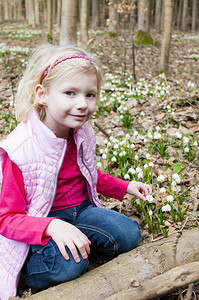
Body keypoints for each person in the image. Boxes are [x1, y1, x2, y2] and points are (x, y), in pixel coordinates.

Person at [0, 44, 152, 300]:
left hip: (79, 211)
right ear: (42, 95)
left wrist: (124, 186)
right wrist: (52, 226)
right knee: (70, 264)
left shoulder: (81, 133)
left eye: (90, 94)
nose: (82, 104)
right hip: (40, 226)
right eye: (70, 93)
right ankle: (30, 270)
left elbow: (89, 174)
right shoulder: (20, 150)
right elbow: (6, 219)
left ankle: (77, 246)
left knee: (129, 234)